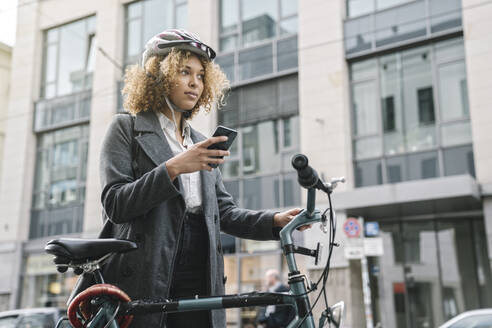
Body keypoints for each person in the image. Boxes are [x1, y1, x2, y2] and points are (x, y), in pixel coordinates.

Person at [98, 29, 308, 328]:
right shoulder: (125, 129)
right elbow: (115, 204)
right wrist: (172, 168)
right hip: (148, 265)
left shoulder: (198, 141)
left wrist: (274, 221)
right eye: (184, 72)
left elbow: (223, 213)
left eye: (200, 75)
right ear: (158, 75)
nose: (195, 82)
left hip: (201, 266)